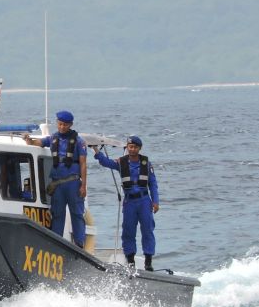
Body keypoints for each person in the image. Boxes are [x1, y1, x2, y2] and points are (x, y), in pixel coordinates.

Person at [92, 135, 160, 270]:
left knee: (147, 230)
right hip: (130, 202)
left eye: (135, 147)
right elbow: (106, 163)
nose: (132, 149)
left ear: (139, 148)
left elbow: (153, 184)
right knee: (128, 231)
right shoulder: (121, 163)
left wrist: (155, 201)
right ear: (127, 147)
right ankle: (130, 261)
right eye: (130, 147)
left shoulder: (147, 164)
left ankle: (148, 261)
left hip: (144, 201)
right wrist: (96, 151)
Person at [24, 110, 87, 247]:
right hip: (57, 184)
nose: (62, 127)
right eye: (60, 124)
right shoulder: (52, 138)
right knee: (57, 214)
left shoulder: (79, 142)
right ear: (57, 123)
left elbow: (83, 164)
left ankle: (79, 244)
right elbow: (39, 142)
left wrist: (83, 186)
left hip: (73, 182)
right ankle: (56, 244)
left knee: (77, 214)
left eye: (65, 124)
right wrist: (29, 140)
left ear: (70, 125)